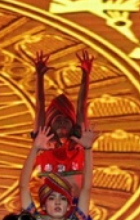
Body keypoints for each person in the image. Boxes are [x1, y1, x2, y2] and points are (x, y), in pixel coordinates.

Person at [20, 126, 98, 220]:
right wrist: (34, 149)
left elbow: (86, 188)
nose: (57, 202)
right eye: (51, 198)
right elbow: (24, 187)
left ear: (68, 205)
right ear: (43, 205)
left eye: (62, 198)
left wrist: (88, 150)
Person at [31, 51, 94, 188]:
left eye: (66, 120)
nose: (62, 122)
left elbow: (81, 107)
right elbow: (39, 107)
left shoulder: (77, 141)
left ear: (73, 125)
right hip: (52, 195)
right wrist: (39, 76)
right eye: (58, 119)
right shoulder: (44, 141)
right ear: (50, 125)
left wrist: (86, 74)